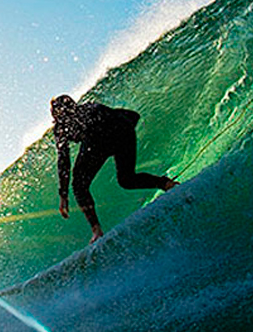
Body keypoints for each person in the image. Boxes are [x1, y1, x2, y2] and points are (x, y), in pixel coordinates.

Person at [51, 94, 177, 243]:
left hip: (98, 138)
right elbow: (132, 115)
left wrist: (63, 195)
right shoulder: (90, 107)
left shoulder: (61, 127)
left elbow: (63, 161)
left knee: (79, 185)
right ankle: (167, 184)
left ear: (58, 113)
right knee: (126, 179)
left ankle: (96, 230)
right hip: (124, 129)